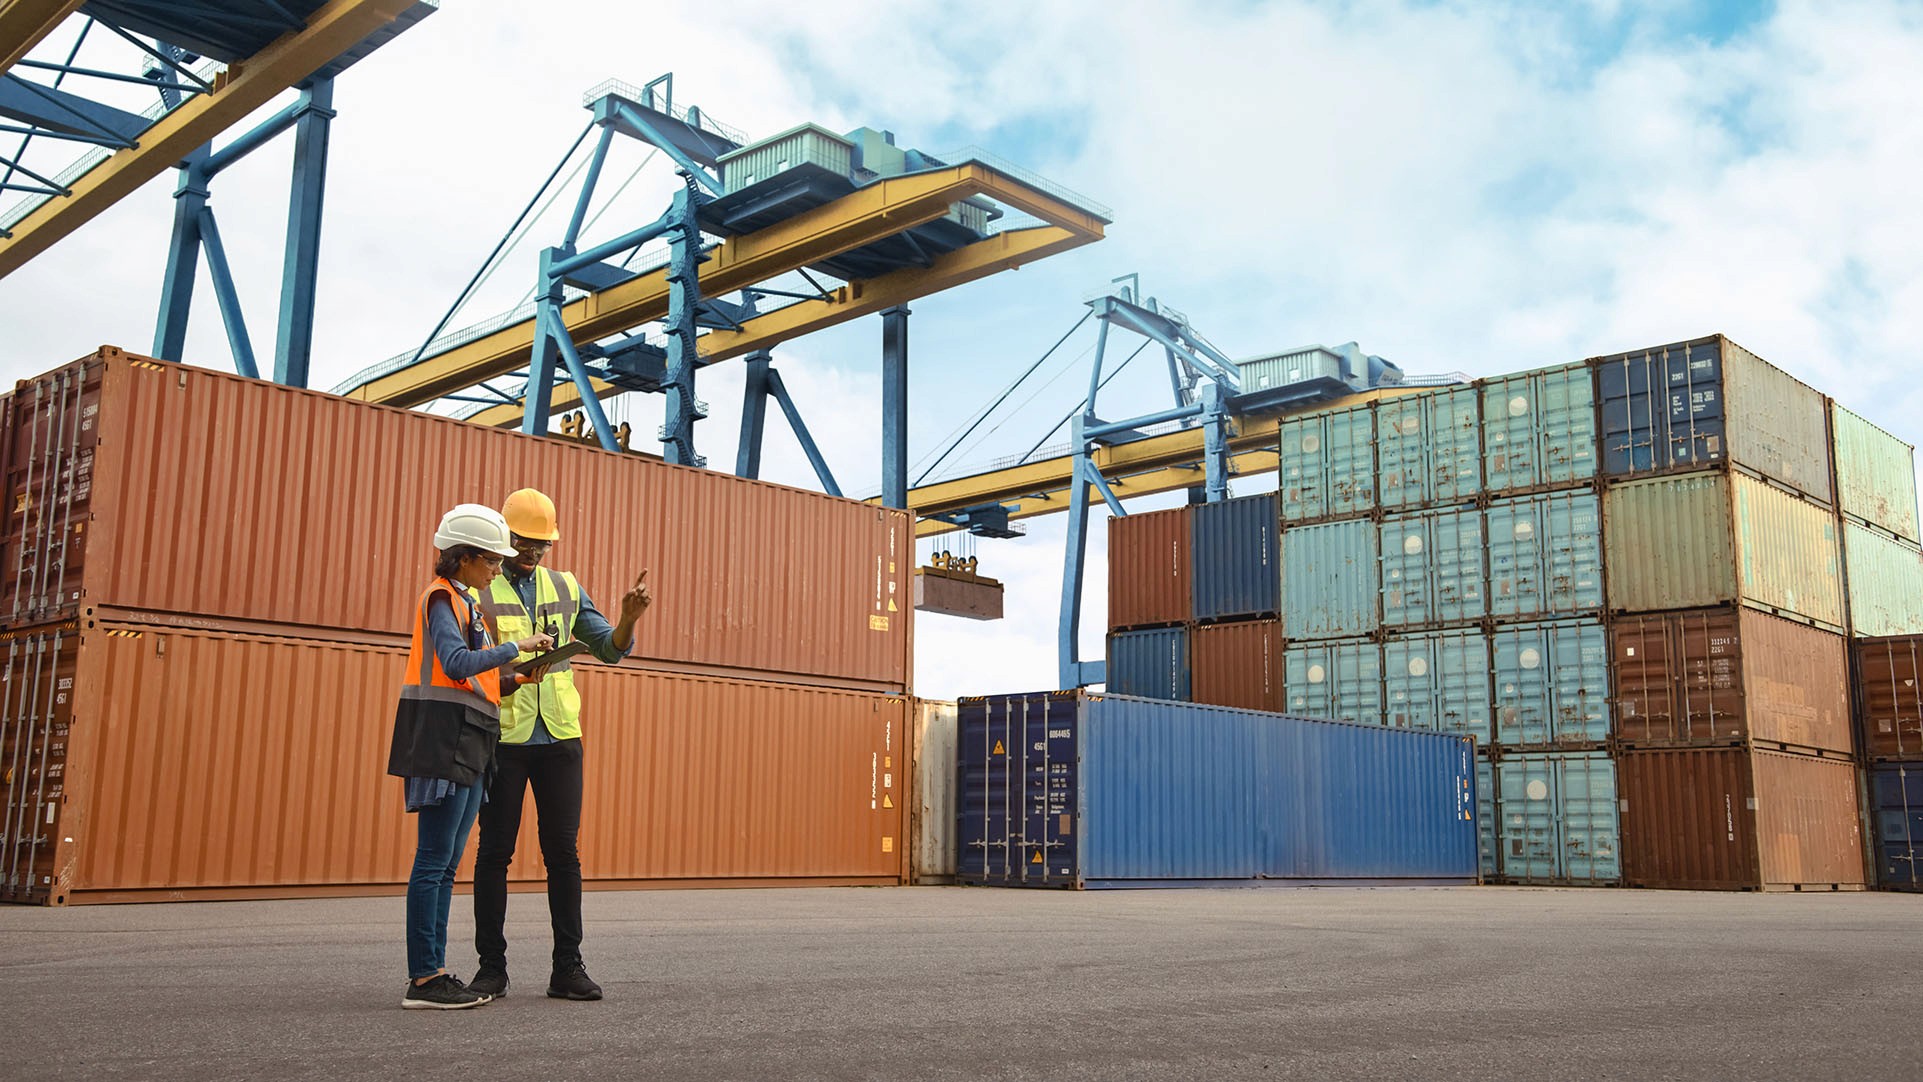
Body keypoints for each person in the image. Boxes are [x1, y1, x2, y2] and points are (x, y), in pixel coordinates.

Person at [470, 488, 652, 1002]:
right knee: (494, 854)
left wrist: (628, 619)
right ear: (505, 538)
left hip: (559, 738)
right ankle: (491, 969)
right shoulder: (481, 590)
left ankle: (567, 968)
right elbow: (469, 661)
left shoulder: (567, 587)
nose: (532, 554)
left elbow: (610, 651)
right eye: (524, 543)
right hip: (505, 735)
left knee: (563, 856)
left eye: (541, 545)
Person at [387, 504, 552, 1010]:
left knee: (447, 861)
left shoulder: (466, 603)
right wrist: (515, 647)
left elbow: (472, 676)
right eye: (492, 561)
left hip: (470, 738)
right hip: (442, 738)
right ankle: (424, 978)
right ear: (463, 558)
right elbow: (455, 662)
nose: (498, 570)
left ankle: (433, 972)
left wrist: (520, 675)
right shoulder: (441, 598)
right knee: (434, 861)